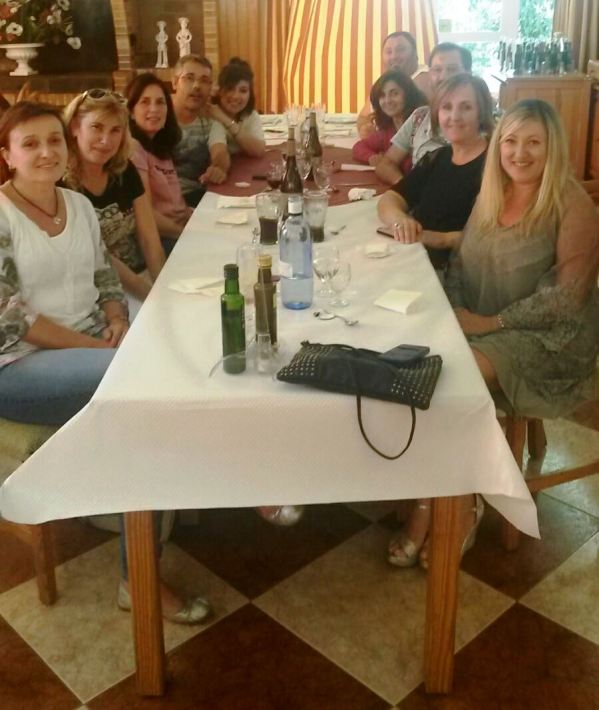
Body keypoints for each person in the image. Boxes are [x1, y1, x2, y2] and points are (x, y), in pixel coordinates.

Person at [390, 99, 599, 571]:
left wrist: (489, 324)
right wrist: (454, 311)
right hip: (487, 322)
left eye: (534, 143)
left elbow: (566, 301)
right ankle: (443, 498)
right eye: (511, 141)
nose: (520, 153)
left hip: (550, 339)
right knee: (422, 365)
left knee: (451, 383)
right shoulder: (493, 193)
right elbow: (461, 264)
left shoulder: (572, 204)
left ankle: (453, 506)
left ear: (553, 148)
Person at [0, 101, 127, 425]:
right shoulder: (3, 214)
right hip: (20, 359)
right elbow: (9, 315)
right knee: (134, 370)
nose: (47, 152)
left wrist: (117, 320)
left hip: (92, 336)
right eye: (30, 144)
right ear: (8, 156)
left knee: (171, 340)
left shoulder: (79, 204)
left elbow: (105, 276)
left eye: (55, 140)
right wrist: (94, 347)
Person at [377, 74, 494, 272]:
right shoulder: (437, 157)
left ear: (481, 114)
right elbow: (390, 199)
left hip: (455, 273)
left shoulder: (494, 165)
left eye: (466, 107)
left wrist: (440, 239)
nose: (454, 116)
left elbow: (496, 240)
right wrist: (401, 221)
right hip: (414, 258)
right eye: (446, 107)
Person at [63, 89, 166, 303]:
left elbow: (149, 240)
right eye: (96, 127)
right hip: (99, 292)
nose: (106, 140)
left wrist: (164, 287)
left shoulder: (125, 171)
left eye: (115, 130)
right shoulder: (61, 185)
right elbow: (100, 255)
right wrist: (152, 298)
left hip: (141, 277)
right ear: (74, 127)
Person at [375, 42, 472, 185]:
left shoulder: (483, 122)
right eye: (437, 70)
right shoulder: (419, 117)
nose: (443, 77)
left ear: (469, 74)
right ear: (430, 75)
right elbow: (386, 163)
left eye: (452, 69)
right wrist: (407, 188)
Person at [126, 72, 193, 248]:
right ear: (131, 112)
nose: (154, 109)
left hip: (180, 229)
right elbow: (146, 215)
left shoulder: (160, 147)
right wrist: (188, 234)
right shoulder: (134, 149)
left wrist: (200, 217)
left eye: (160, 102)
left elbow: (176, 205)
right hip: (163, 239)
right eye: (145, 102)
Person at [171, 54, 230, 207]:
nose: (197, 86)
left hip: (195, 199)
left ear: (210, 88)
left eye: (204, 81)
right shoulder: (158, 117)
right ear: (175, 82)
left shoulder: (211, 122)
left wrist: (218, 168)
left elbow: (220, 152)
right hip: (159, 200)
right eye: (189, 78)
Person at [357, 31, 430, 139]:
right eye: (388, 52)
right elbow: (363, 116)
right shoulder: (386, 81)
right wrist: (365, 128)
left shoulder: (426, 76)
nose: (394, 56)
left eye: (401, 50)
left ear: (415, 54)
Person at [352, 69, 427, 169]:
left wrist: (389, 162)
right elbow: (359, 147)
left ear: (408, 95)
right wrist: (371, 157)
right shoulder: (387, 131)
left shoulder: (423, 126)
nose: (387, 100)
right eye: (382, 95)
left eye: (394, 94)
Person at [208, 57, 266, 159]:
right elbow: (219, 155)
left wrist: (227, 121)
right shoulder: (212, 115)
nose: (235, 96)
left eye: (243, 91)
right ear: (219, 91)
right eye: (230, 89)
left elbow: (259, 150)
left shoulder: (251, 116)